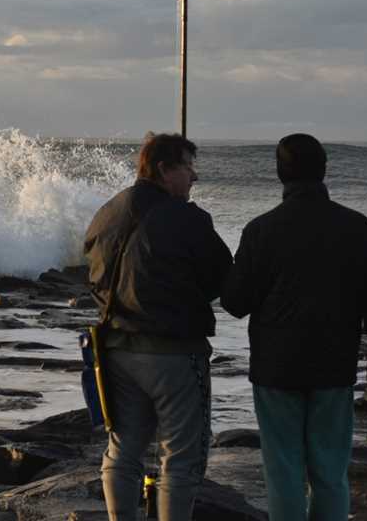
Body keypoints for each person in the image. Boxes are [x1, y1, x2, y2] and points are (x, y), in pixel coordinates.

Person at [221, 133, 367, 521]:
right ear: (324, 170)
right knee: (330, 473)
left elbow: (235, 304)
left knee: (283, 472)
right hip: (333, 368)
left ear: (280, 174)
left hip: (276, 369)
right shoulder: (356, 227)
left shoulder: (261, 230)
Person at [83, 132, 232, 521]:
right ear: (165, 170)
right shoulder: (188, 218)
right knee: (182, 454)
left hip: (115, 349)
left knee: (123, 447)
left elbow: (94, 276)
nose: (194, 177)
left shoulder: (107, 211)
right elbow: (221, 278)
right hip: (175, 354)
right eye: (188, 167)